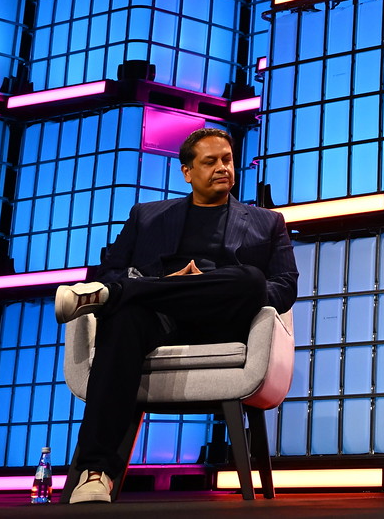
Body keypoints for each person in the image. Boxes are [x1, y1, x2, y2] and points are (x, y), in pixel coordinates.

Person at [52, 127, 297, 504]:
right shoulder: (147, 216)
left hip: (223, 321)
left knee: (248, 278)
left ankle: (120, 295)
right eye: (210, 161)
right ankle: (95, 472)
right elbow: (110, 269)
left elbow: (285, 286)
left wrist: (210, 285)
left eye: (227, 160)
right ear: (187, 172)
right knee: (122, 322)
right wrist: (167, 284)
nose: (223, 168)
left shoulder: (267, 222)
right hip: (160, 319)